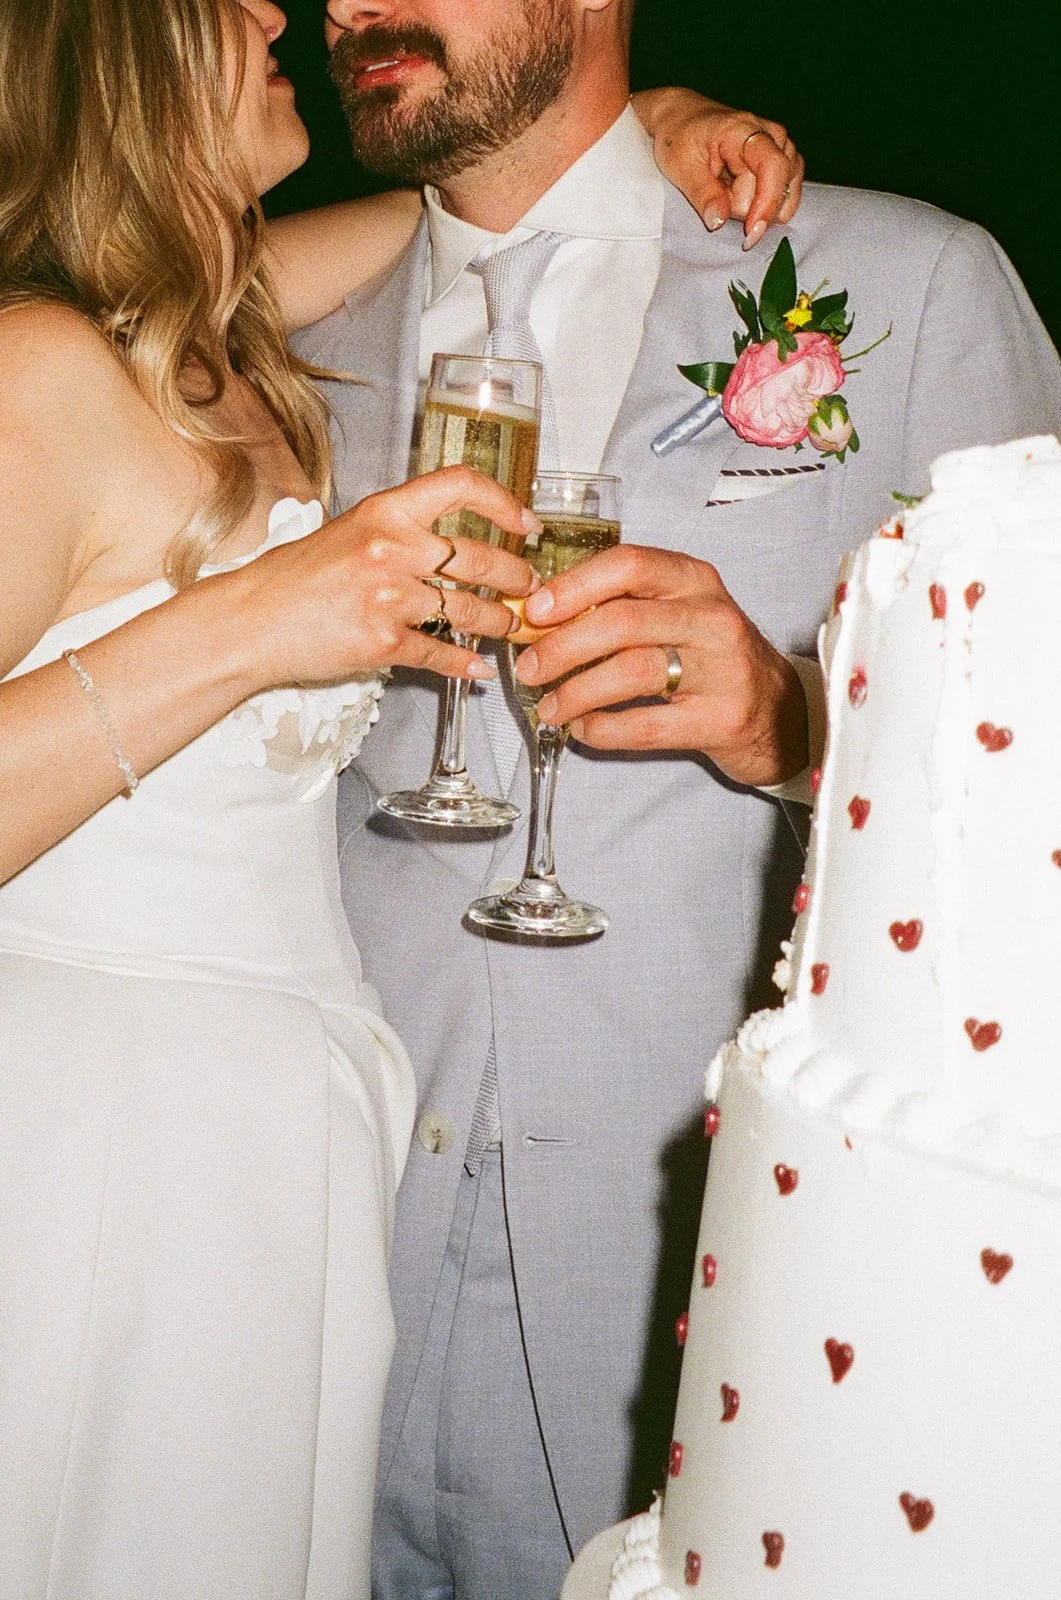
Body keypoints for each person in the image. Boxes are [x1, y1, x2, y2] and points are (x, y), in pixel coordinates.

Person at [0, 2, 799, 1593]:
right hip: (103, 1133)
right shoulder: (34, 363)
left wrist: (646, 111)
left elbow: (481, 198)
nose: (277, 11)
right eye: (216, 6)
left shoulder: (214, 331)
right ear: (119, 58)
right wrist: (257, 618)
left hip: (286, 1139)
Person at [291, 1, 1061, 1597]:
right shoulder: (276, 337)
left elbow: (1035, 774)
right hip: (316, 1288)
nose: (344, 0)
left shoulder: (903, 286)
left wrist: (788, 724)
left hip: (717, 1293)